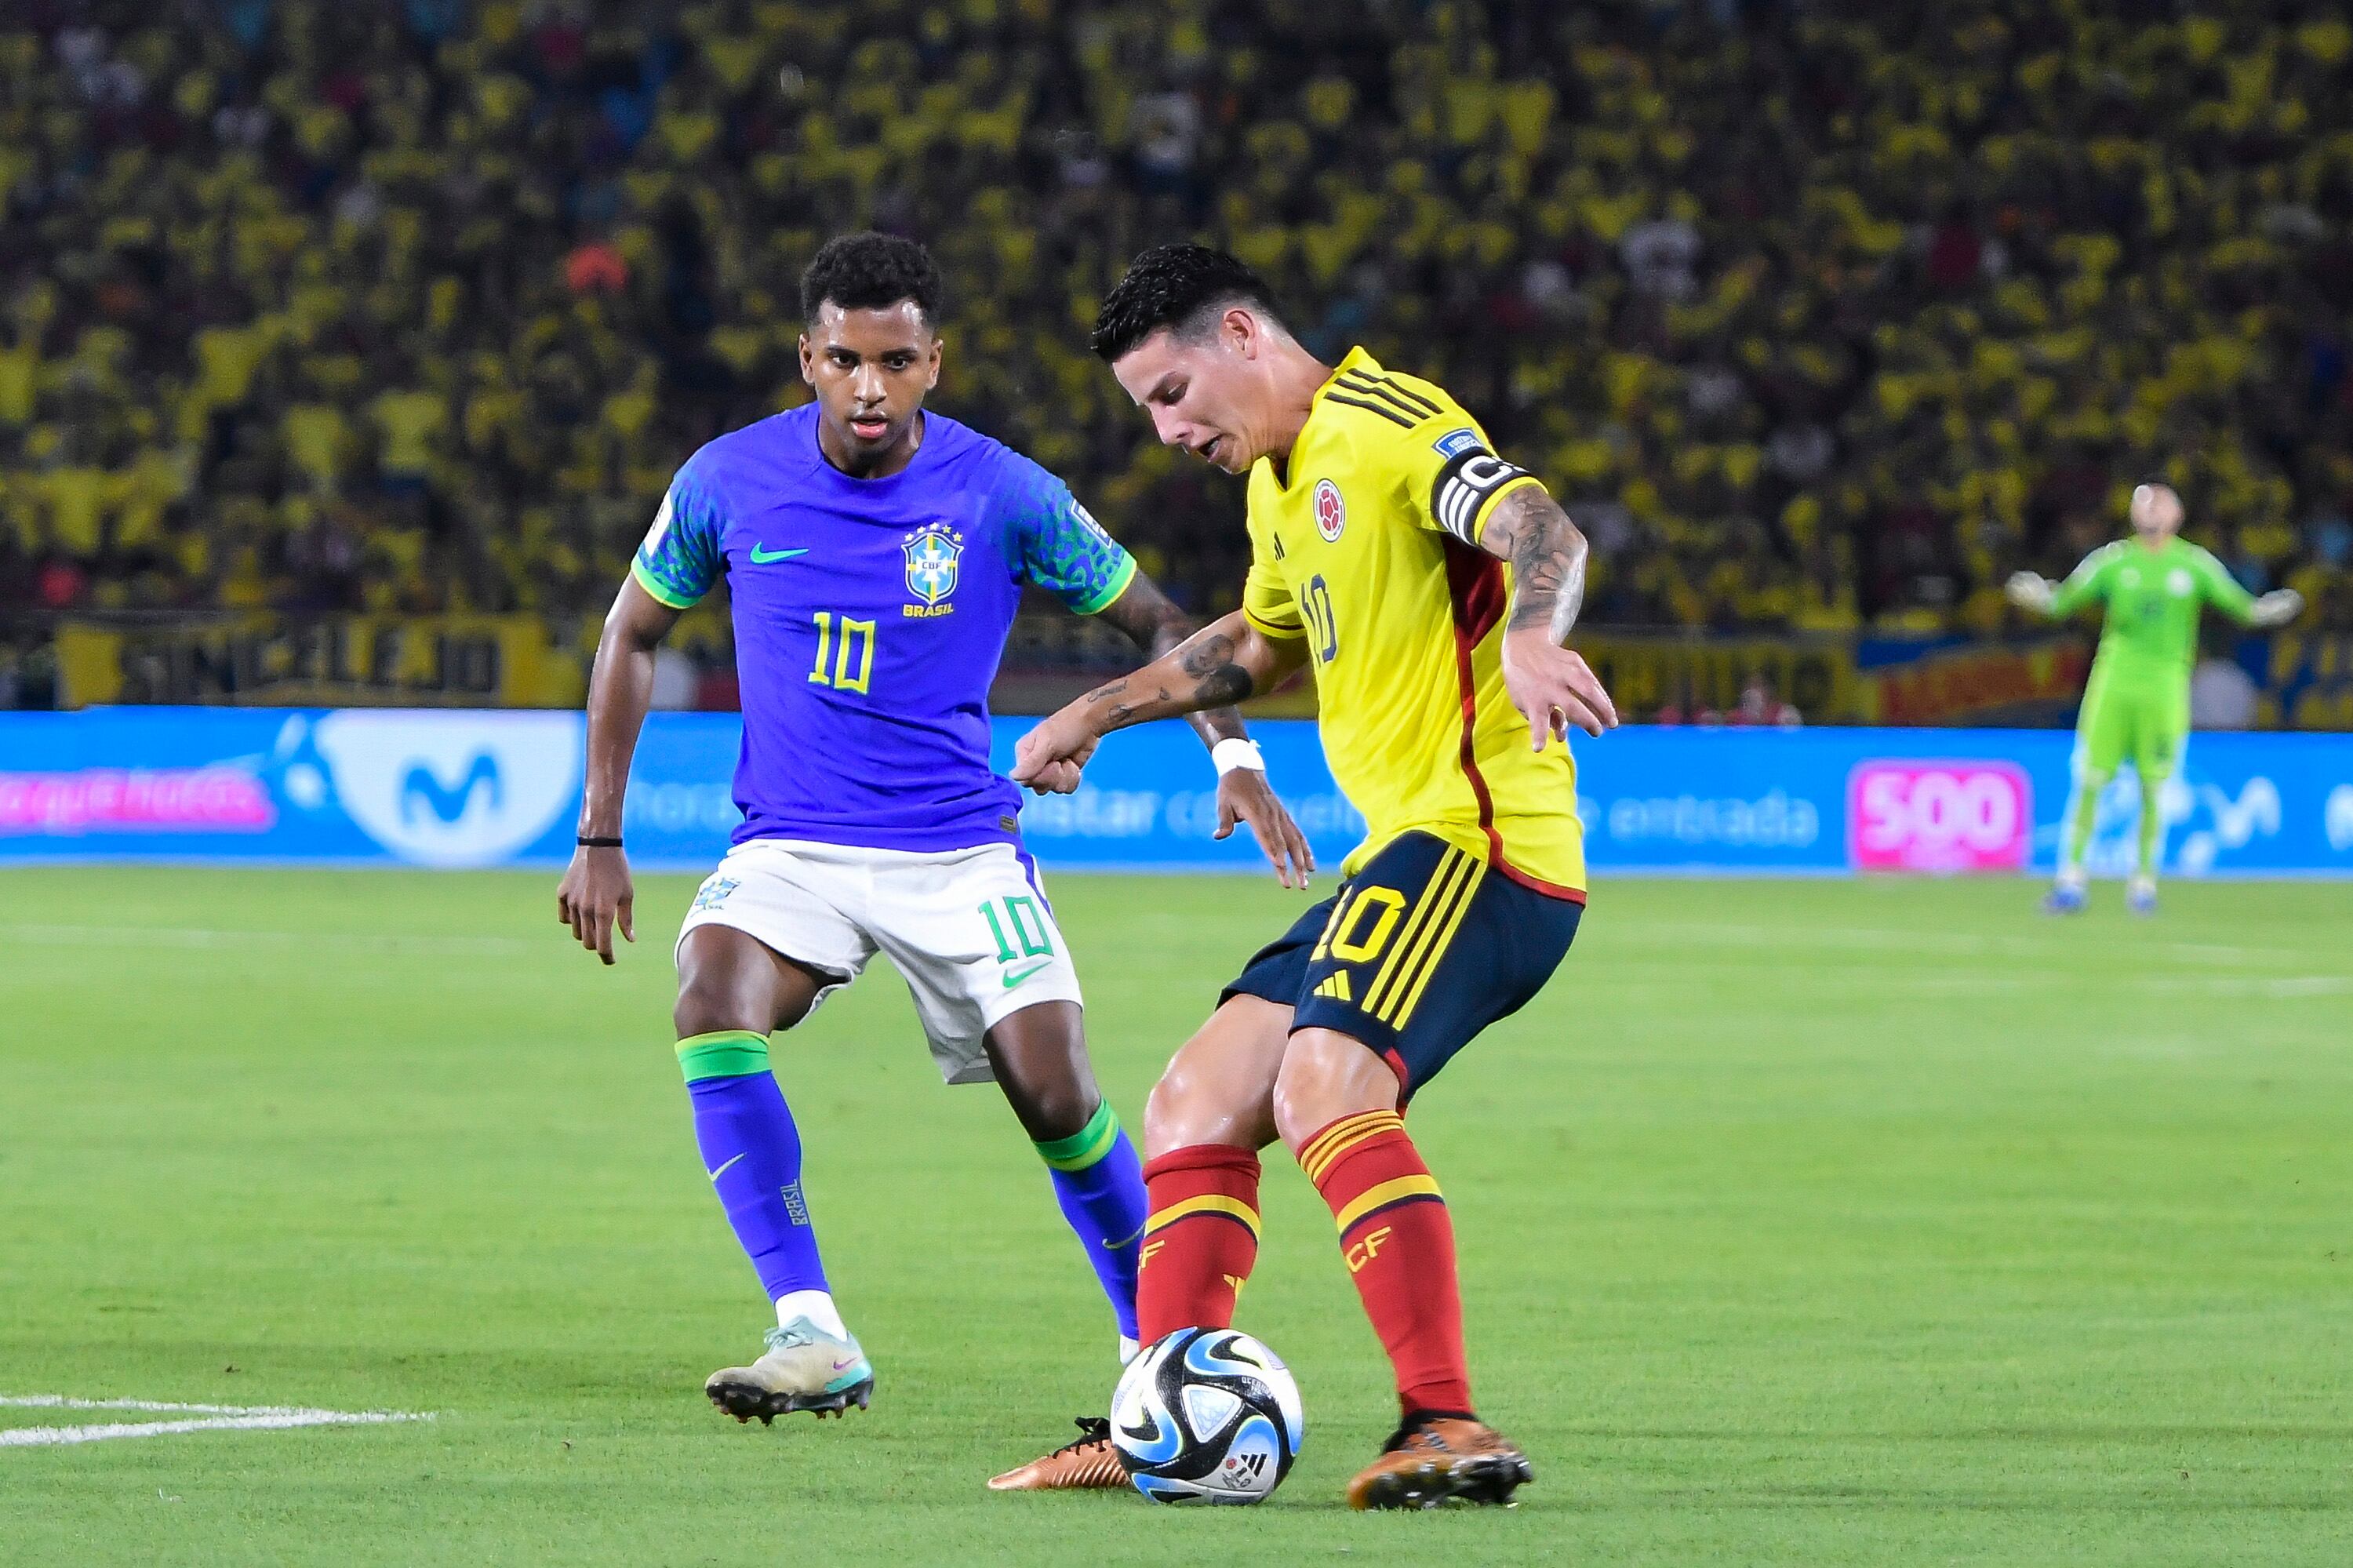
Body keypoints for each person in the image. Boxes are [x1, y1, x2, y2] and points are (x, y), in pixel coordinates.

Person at [554, 235, 1311, 1448]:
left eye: (895, 360)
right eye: (845, 359)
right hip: (791, 842)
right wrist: (600, 828)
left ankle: (1157, 1350)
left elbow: (1162, 618)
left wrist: (1232, 750)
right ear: (807, 356)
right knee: (708, 994)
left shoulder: (1001, 492)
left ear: (933, 364)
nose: (868, 386)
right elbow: (630, 632)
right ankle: (812, 1327)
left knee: (1055, 1086)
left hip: (959, 847)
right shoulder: (725, 480)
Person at [1005, 245, 1618, 1508]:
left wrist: (1533, 637)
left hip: (1482, 842)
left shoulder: (1390, 421)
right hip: (1395, 850)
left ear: (1241, 332)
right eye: (1148, 411)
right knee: (1192, 1098)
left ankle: (1445, 1418)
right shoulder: (1277, 488)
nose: (1168, 429)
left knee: (1323, 1080)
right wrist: (1095, 712)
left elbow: (1543, 528)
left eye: (1173, 392)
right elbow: (1255, 639)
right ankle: (1155, 1413)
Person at [2007, 482, 2300, 914]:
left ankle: (2143, 885)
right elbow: (2065, 602)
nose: (2151, 511)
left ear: (2177, 514)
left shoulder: (2193, 563)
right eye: (2143, 503)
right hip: (2114, 683)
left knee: (2154, 786)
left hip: (2164, 688)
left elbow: (2240, 606)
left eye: (2160, 503)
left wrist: (2266, 610)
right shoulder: (2112, 559)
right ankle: (2071, 882)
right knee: (2090, 780)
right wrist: (2040, 597)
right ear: (2132, 513)